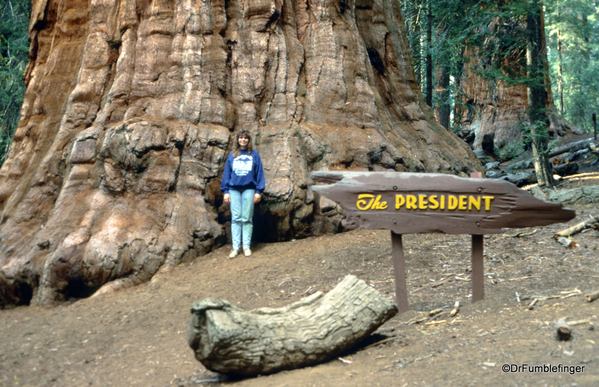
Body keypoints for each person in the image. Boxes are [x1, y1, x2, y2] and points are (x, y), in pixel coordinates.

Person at [220, 130, 265, 258]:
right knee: (236, 218)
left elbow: (259, 173)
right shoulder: (232, 155)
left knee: (246, 218)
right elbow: (227, 174)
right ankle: (235, 247)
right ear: (238, 140)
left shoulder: (254, 155)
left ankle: (246, 246)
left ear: (249, 140)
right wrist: (226, 191)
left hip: (249, 189)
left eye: (245, 138)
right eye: (241, 138)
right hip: (234, 189)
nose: (243, 140)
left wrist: (258, 191)